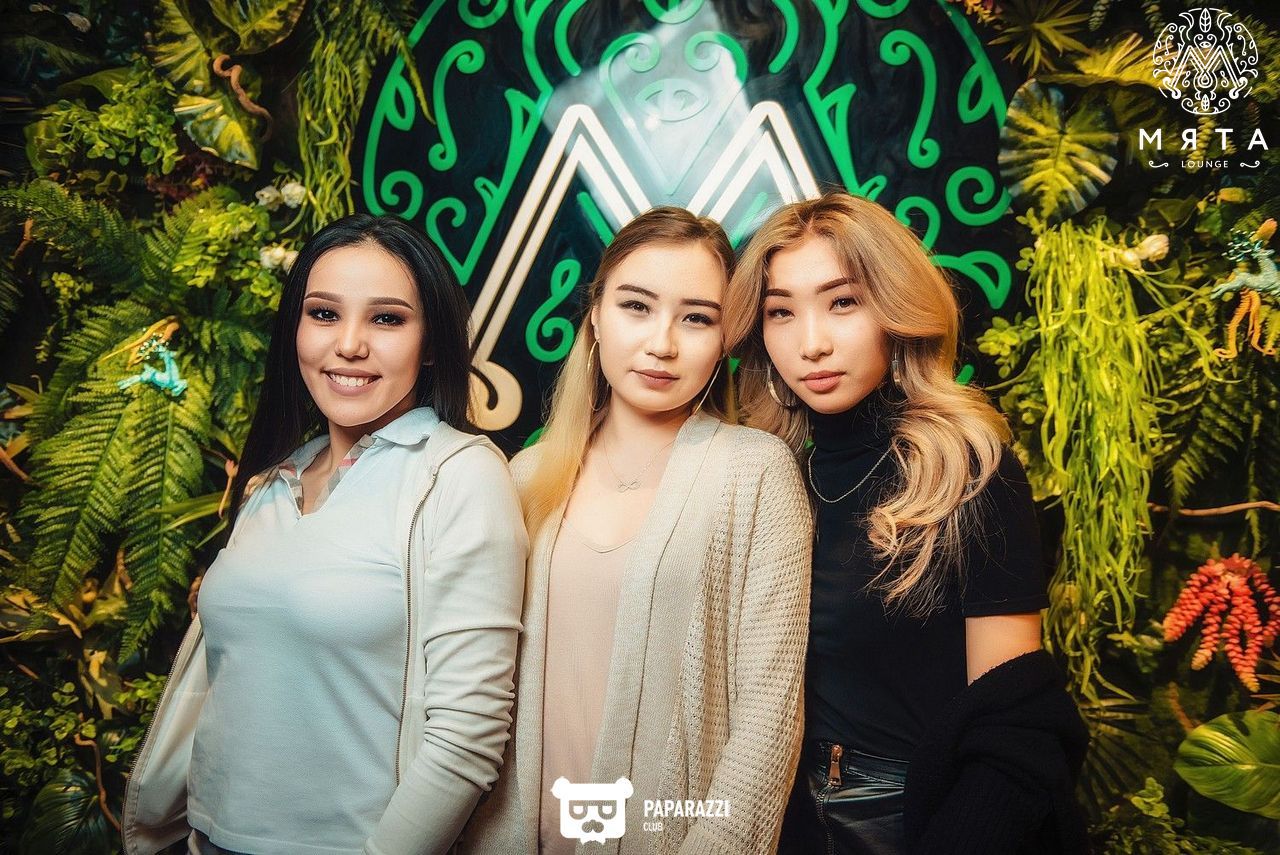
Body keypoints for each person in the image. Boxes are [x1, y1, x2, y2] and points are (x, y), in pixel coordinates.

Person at [122, 213, 528, 855]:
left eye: (387, 319)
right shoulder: (273, 480)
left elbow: (466, 739)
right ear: (297, 328)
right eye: (324, 314)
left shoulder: (459, 475)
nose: (349, 344)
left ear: (430, 343)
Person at [728, 192, 1088, 854]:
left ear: (894, 308)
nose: (812, 343)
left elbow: (1015, 724)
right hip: (784, 816)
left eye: (843, 302)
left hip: (917, 814)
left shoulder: (966, 469)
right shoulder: (769, 474)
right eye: (782, 311)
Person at [463, 207, 812, 855]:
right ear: (596, 315)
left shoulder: (756, 473)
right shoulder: (524, 475)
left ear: (725, 338)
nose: (662, 343)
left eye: (696, 318)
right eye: (636, 306)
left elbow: (769, 718)